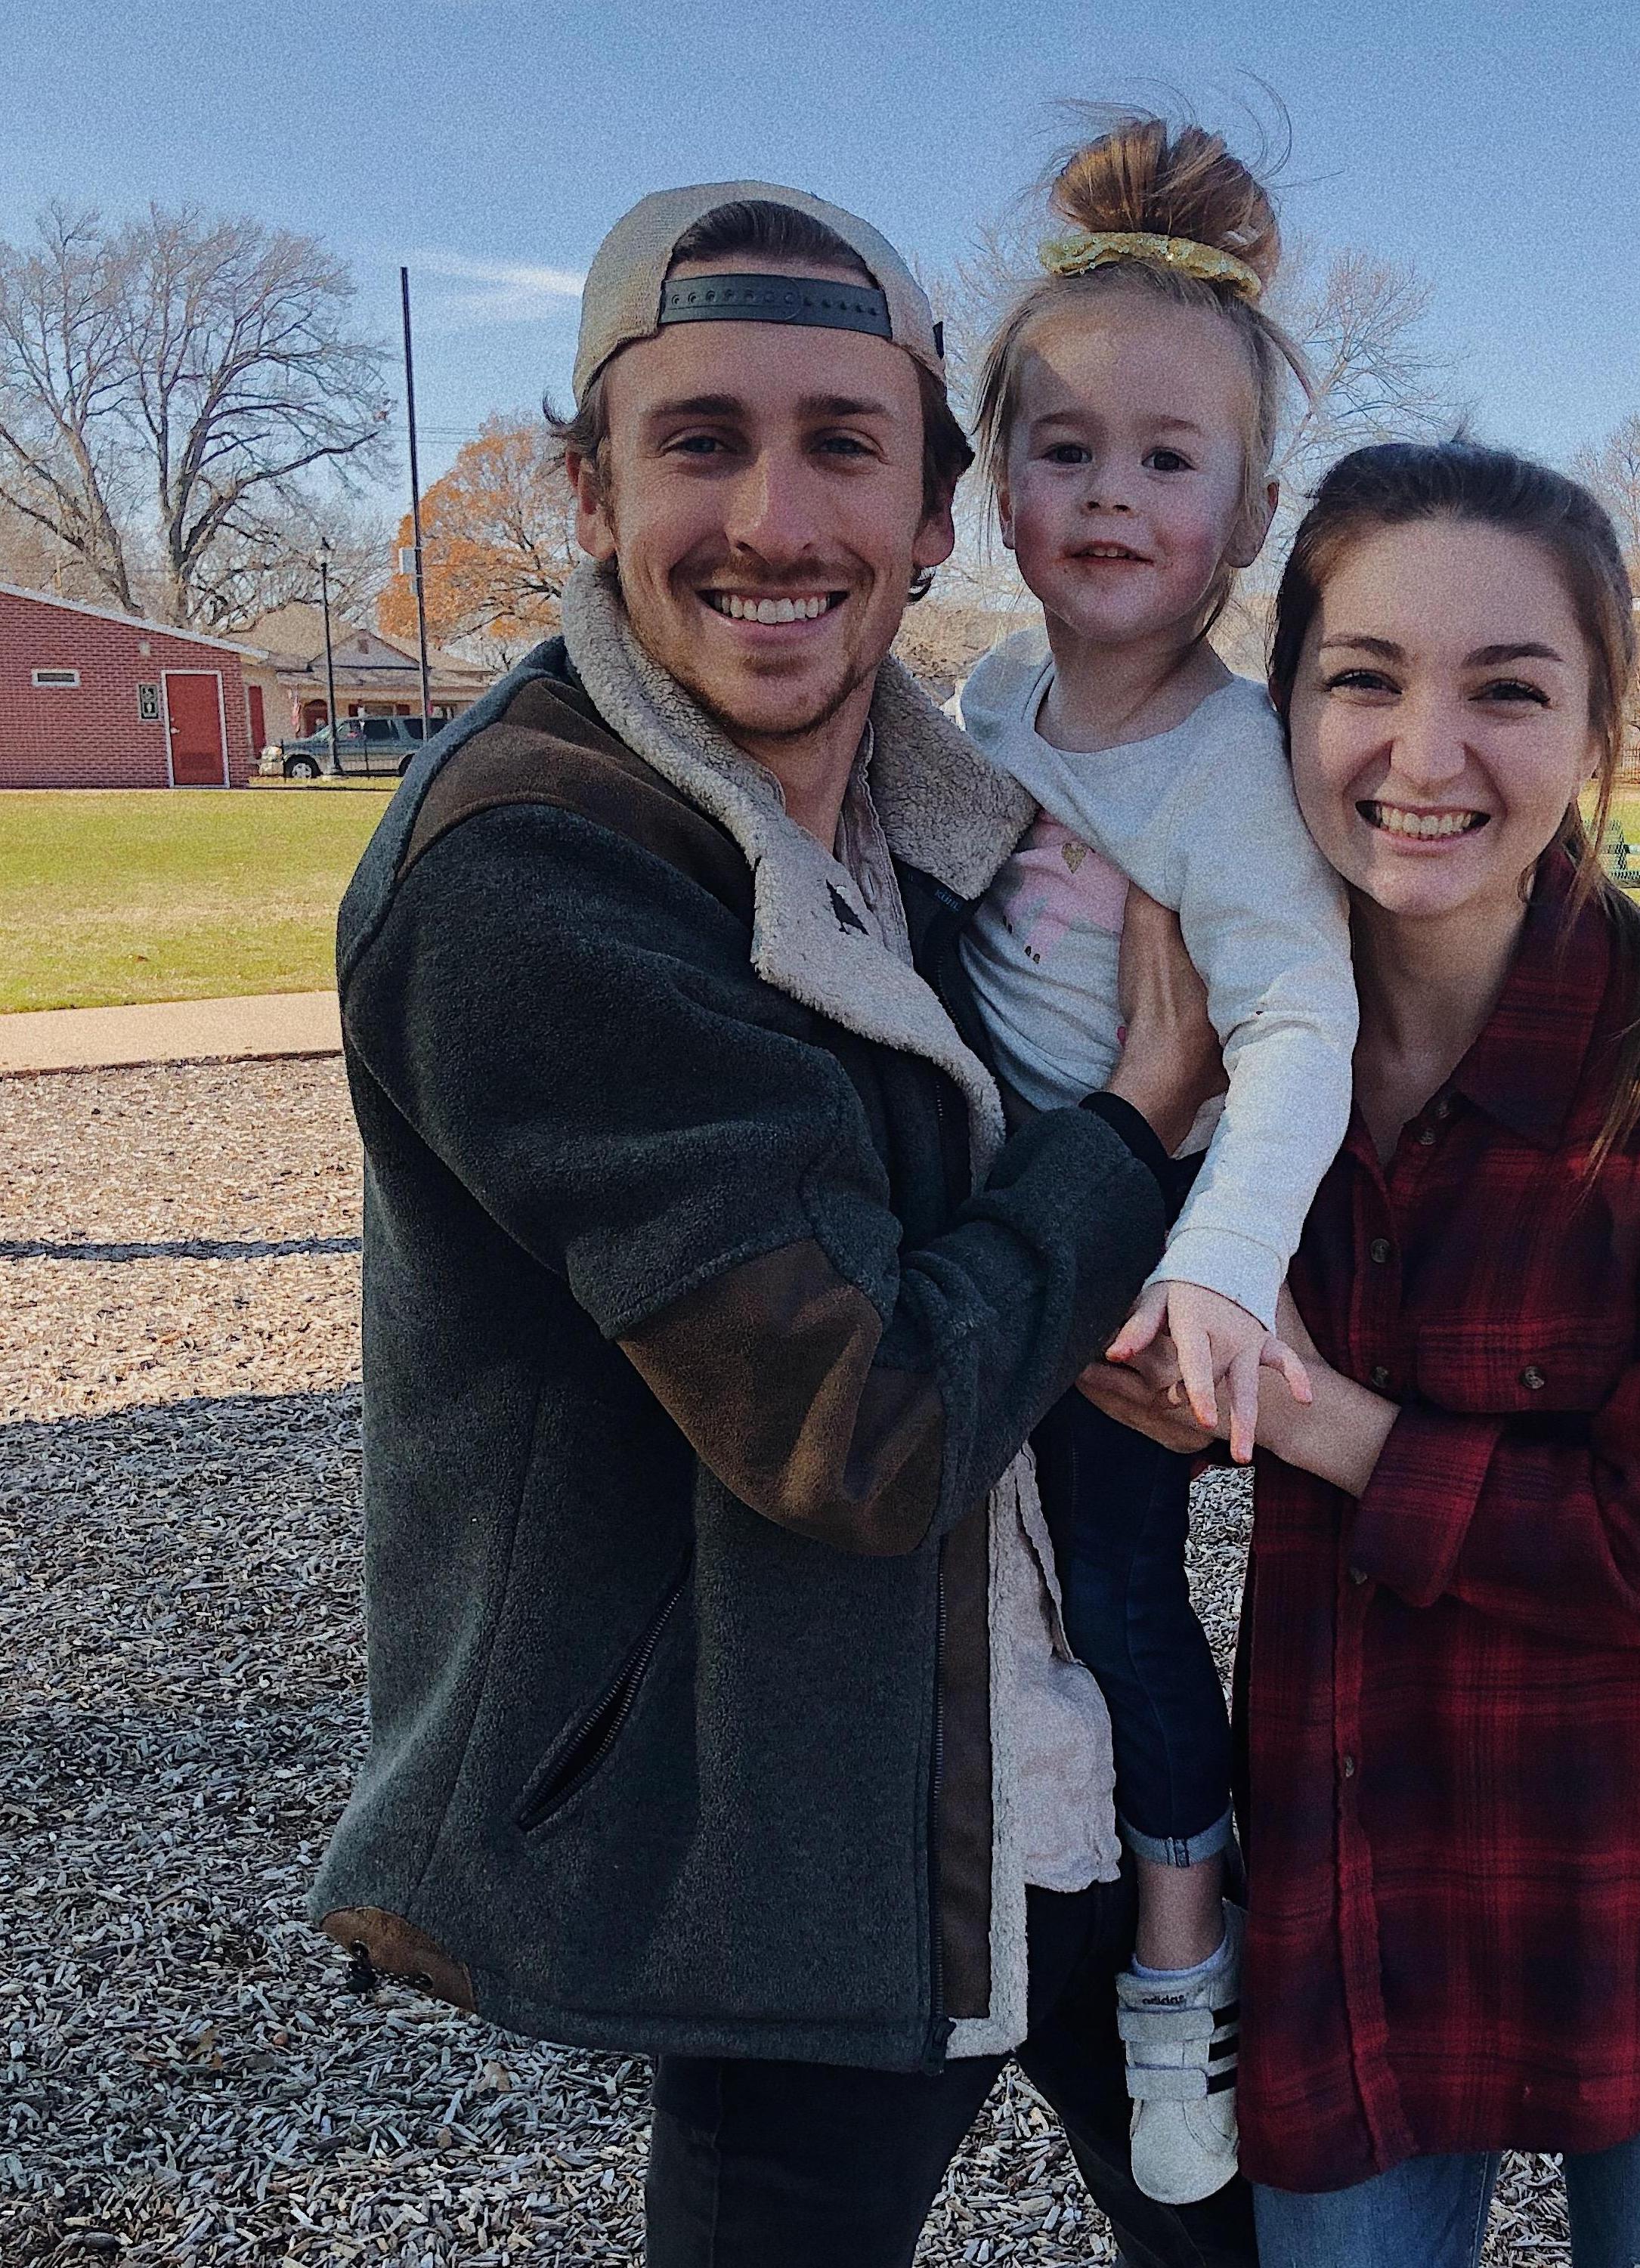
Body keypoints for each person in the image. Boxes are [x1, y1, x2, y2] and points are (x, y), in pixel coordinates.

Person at [305, 178, 1255, 2268]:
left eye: (845, 441)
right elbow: (866, 1424)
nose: (774, 517)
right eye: (700, 438)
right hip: (795, 1788)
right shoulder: (530, 873)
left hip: (1062, 1712)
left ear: (936, 510)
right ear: (587, 484)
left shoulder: (974, 812)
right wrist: (1134, 1122)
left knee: (1260, 2236)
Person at [1084, 441, 1640, 2266]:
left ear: (1596, 726)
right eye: (1363, 679)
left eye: (1507, 690)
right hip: (1359, 1903)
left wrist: (1330, 1423)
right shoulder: (1218, 1047)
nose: (1424, 757)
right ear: (1280, 703)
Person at [956, 112, 1357, 2204]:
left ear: (1248, 507)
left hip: (1114, 1270)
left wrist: (1214, 1269)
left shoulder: (1237, 769)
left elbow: (1300, 1026)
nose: (1111, 493)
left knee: (1118, 1592)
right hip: (973, 1247)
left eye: (1166, 459)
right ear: (993, 477)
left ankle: (1183, 1958)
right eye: (1064, 446)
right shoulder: (987, 696)